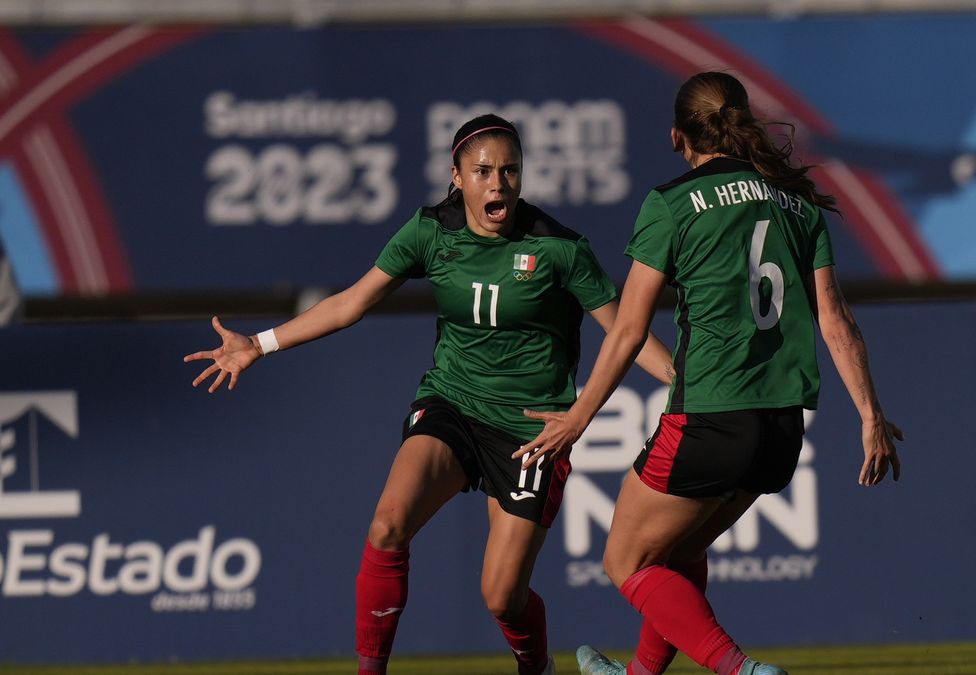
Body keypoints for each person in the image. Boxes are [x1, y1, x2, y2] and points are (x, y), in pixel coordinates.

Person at [184, 114, 674, 675]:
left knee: (502, 597)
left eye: (510, 170)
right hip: (451, 405)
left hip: (531, 430)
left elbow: (628, 334)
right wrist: (259, 343)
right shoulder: (429, 232)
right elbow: (350, 303)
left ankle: (536, 666)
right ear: (456, 178)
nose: (498, 184)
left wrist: (686, 385)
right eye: (483, 171)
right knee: (387, 523)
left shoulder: (560, 248)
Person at [516, 72, 904, 675]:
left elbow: (627, 331)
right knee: (675, 554)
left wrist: (578, 417)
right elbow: (837, 320)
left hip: (709, 414)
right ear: (743, 122)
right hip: (781, 426)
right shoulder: (796, 201)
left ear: (678, 136)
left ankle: (741, 670)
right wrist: (871, 416)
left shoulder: (671, 204)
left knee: (627, 563)